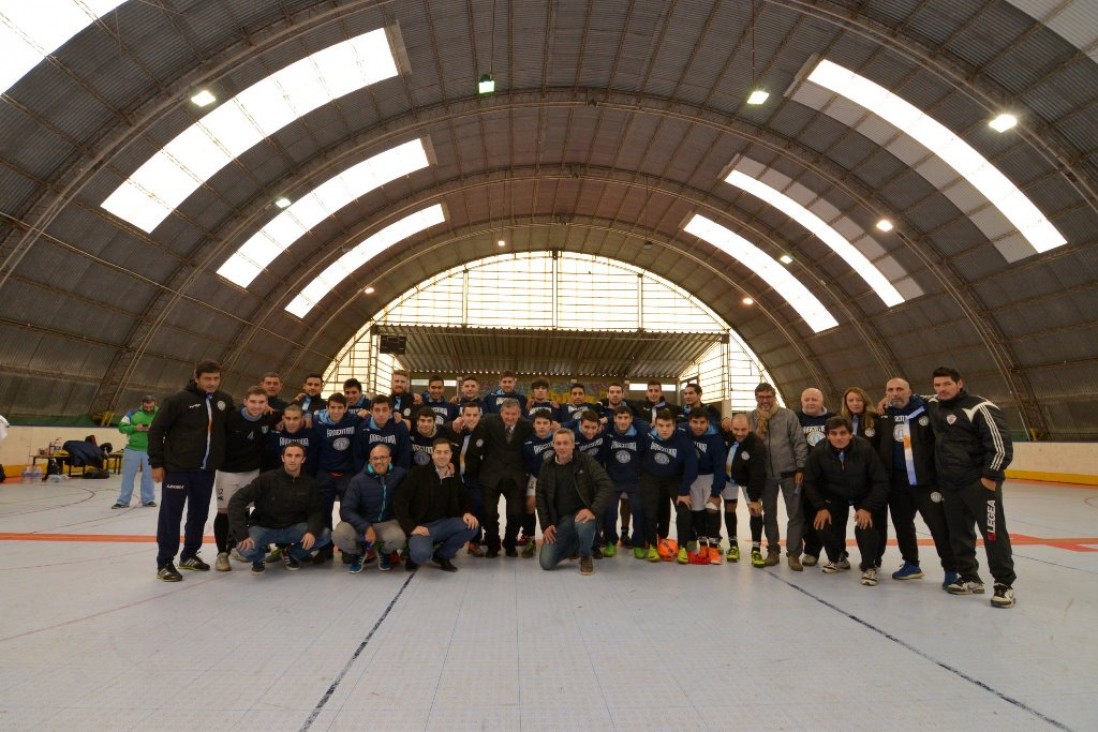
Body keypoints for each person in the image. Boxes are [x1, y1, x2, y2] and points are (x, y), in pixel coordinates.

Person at [927, 367, 1016, 608]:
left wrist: (989, 477)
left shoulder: (980, 407)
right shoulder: (934, 405)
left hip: (978, 484)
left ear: (960, 383)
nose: (941, 389)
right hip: (950, 485)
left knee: (993, 534)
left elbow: (1000, 445)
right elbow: (912, 399)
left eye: (946, 384)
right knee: (959, 533)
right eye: (937, 385)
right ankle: (969, 577)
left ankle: (1004, 584)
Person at [147, 360, 233, 582]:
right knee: (170, 516)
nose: (212, 383)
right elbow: (156, 430)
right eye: (207, 379)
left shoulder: (224, 400)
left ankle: (189, 555)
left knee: (199, 514)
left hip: (206, 471)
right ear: (197, 378)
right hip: (177, 469)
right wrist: (156, 464)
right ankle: (165, 562)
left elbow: (236, 426)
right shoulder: (178, 400)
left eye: (216, 378)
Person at [877, 377, 958, 585]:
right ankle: (911, 563)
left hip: (926, 482)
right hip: (897, 482)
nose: (895, 393)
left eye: (900, 389)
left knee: (938, 526)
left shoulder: (926, 410)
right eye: (890, 390)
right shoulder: (884, 416)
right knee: (902, 525)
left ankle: (951, 569)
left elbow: (939, 396)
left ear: (910, 391)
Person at [803, 416, 889, 586]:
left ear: (850, 434)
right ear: (827, 435)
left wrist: (867, 507)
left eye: (843, 433)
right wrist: (820, 507)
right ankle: (838, 557)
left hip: (863, 493)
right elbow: (810, 481)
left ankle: (869, 566)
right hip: (834, 494)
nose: (838, 437)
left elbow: (881, 481)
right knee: (822, 523)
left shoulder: (865, 448)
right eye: (833, 433)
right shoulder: (819, 451)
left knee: (866, 525)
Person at [228, 444, 332, 574]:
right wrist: (242, 534)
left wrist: (311, 531)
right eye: (289, 455)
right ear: (283, 458)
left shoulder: (310, 483)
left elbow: (316, 512)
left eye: (297, 456)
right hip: (263, 528)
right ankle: (258, 559)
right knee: (244, 548)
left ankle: (291, 554)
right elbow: (236, 501)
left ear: (303, 459)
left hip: (293, 528)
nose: (293, 459)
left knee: (324, 535)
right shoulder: (266, 479)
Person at [213, 386, 278, 572]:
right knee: (224, 512)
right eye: (253, 402)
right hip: (228, 471)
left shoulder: (269, 417)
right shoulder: (231, 417)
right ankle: (221, 553)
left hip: (252, 472)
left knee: (244, 510)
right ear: (245, 401)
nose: (257, 406)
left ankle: (237, 547)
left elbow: (289, 414)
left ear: (267, 403)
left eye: (261, 402)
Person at [536, 429, 616, 575]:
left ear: (573, 444)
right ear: (553, 445)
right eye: (558, 443)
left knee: (584, 522)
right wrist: (546, 525)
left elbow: (606, 485)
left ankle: (585, 555)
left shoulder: (586, 461)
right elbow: (540, 496)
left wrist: (593, 510)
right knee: (546, 563)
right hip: (561, 521)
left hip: (583, 515)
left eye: (566, 443)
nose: (562, 447)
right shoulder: (547, 466)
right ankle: (575, 546)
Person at [393, 438, 480, 572]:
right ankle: (412, 554)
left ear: (451, 455)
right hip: (422, 528)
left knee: (472, 526)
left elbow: (465, 498)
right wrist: (411, 527)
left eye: (446, 452)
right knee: (421, 555)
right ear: (432, 454)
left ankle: (442, 556)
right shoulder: (417, 473)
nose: (442, 456)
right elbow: (400, 501)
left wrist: (467, 512)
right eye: (438, 452)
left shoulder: (454, 476)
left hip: (444, 524)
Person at [749, 383, 808, 569]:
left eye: (768, 396)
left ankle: (794, 554)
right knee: (769, 514)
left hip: (789, 473)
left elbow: (799, 443)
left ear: (774, 396)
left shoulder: (788, 415)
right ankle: (773, 550)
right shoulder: (751, 418)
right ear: (756, 398)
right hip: (765, 476)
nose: (765, 400)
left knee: (795, 513)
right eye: (761, 397)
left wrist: (800, 468)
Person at [471, 398, 533, 557]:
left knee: (515, 514)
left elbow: (544, 431)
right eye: (507, 414)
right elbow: (470, 421)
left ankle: (510, 543)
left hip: (516, 476)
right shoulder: (489, 421)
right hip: (491, 475)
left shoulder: (527, 426)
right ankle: (493, 545)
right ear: (501, 412)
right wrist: (455, 423)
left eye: (514, 414)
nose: (510, 417)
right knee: (489, 514)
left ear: (519, 413)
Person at [335, 443, 409, 573]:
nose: (379, 461)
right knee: (339, 535)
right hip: (361, 524)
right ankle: (360, 551)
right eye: (375, 458)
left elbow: (421, 477)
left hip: (387, 523)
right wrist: (365, 527)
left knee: (398, 538)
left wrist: (448, 466)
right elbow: (346, 510)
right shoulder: (357, 481)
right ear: (370, 460)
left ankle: (384, 551)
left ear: (389, 459)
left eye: (383, 457)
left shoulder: (400, 474)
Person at [639, 409, 698, 562]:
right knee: (650, 510)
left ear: (674, 426)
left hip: (674, 478)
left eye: (668, 425)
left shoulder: (683, 440)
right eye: (660, 425)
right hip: (651, 477)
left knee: (684, 509)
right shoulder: (647, 436)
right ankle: (652, 545)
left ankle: (683, 547)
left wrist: (684, 491)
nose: (664, 429)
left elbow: (692, 466)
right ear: (655, 425)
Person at [310, 393, 362, 560]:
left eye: (340, 407)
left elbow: (373, 418)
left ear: (346, 408)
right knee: (323, 511)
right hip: (325, 473)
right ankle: (325, 547)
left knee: (348, 512)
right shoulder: (318, 422)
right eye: (333, 407)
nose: (336, 411)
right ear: (327, 408)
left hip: (347, 473)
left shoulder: (354, 420)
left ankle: (347, 547)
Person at [679, 407, 726, 564]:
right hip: (692, 479)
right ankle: (703, 545)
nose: (698, 426)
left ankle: (714, 547)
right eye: (694, 422)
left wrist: (716, 491)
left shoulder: (715, 438)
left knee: (712, 509)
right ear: (689, 422)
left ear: (708, 423)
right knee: (697, 511)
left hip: (710, 477)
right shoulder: (683, 431)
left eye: (702, 423)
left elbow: (720, 466)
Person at [600, 406, 649, 557]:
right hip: (613, 480)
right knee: (610, 511)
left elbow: (644, 457)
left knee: (639, 510)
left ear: (631, 419)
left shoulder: (640, 436)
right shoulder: (608, 435)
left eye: (626, 418)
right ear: (614, 419)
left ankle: (639, 543)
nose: (622, 421)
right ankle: (610, 541)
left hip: (634, 480)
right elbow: (603, 457)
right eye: (619, 418)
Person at [722, 413, 768, 566]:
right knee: (729, 507)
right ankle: (733, 546)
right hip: (729, 480)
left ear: (750, 428)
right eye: (736, 429)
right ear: (730, 427)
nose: (739, 433)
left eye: (743, 429)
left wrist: (754, 499)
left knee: (755, 510)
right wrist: (723, 420)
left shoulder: (756, 445)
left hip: (748, 481)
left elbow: (757, 474)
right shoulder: (726, 435)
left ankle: (756, 549)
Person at [795, 387, 831, 569]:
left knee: (831, 515)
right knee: (807, 515)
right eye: (807, 399)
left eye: (814, 399)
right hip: (804, 476)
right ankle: (811, 550)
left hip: (828, 477)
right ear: (801, 401)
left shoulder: (832, 418)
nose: (810, 402)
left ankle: (837, 552)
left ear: (821, 401)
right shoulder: (795, 419)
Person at [521, 410, 556, 558]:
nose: (542, 426)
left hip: (556, 478)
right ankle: (530, 539)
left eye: (545, 423)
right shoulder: (527, 442)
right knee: (529, 504)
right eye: (539, 423)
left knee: (557, 505)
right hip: (536, 478)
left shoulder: (558, 438)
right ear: (533, 425)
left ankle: (558, 539)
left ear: (551, 425)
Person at [113, 395, 158, 508]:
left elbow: (169, 427)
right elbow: (121, 427)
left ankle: (148, 500)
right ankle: (123, 501)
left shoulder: (161, 413)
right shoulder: (132, 413)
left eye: (151, 407)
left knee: (149, 476)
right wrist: (134, 428)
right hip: (132, 449)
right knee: (128, 476)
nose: (148, 409)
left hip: (151, 449)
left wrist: (155, 428)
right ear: (142, 403)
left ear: (155, 404)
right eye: (146, 407)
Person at [352, 395, 412, 471]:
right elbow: (359, 458)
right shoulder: (362, 428)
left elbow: (404, 457)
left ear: (390, 411)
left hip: (394, 474)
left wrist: (397, 476)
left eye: (384, 410)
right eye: (377, 410)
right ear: (371, 411)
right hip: (369, 474)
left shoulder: (400, 427)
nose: (381, 414)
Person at [262, 403, 314, 473]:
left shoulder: (312, 434)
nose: (291, 422)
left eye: (296, 418)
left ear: (302, 418)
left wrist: (308, 414)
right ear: (283, 418)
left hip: (305, 479)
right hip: (277, 479)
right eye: (288, 418)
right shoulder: (275, 434)